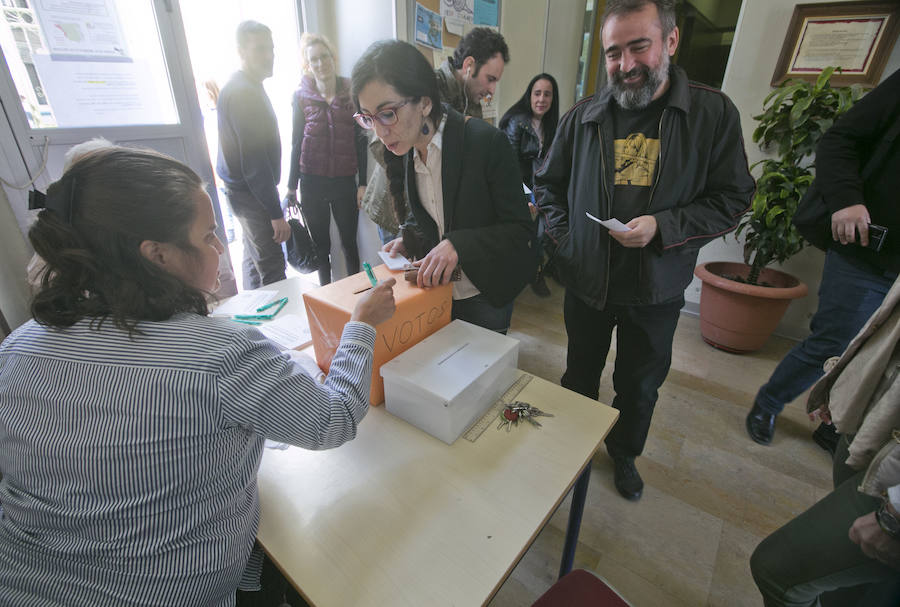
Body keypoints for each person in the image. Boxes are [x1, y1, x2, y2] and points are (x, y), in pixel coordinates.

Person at [0, 146, 396, 606]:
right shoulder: (219, 355)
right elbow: (335, 418)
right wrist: (361, 325)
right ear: (158, 256)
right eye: (209, 235)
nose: (221, 247)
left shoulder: (21, 344)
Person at [534, 0, 754, 501]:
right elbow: (547, 185)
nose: (626, 64)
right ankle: (572, 446)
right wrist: (568, 243)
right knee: (578, 372)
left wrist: (664, 226)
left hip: (655, 287)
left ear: (670, 43)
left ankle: (625, 453)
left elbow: (734, 196)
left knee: (639, 385)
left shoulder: (712, 113)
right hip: (588, 280)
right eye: (614, 52)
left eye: (639, 46)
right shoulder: (582, 116)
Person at [745, 67, 900, 448]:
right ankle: (769, 402)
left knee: (884, 361)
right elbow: (839, 139)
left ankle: (838, 423)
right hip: (869, 252)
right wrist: (847, 199)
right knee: (835, 341)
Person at [351, 40, 533, 334]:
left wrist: (458, 245)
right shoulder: (406, 147)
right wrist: (409, 238)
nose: (380, 131)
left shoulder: (484, 142)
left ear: (424, 102)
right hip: (439, 292)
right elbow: (435, 211)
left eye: (387, 113)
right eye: (368, 118)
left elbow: (520, 230)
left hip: (484, 292)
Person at [750, 275, 900, 607]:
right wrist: (847, 388)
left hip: (893, 481)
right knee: (849, 582)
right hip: (877, 423)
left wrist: (895, 515)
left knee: (777, 569)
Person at [360, 27, 510, 246]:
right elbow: (380, 146)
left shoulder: (472, 106)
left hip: (434, 216)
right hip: (397, 210)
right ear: (469, 66)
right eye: (490, 79)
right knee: (406, 273)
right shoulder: (425, 88)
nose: (492, 90)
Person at [283, 33, 368, 286]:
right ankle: (326, 295)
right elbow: (296, 141)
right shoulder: (301, 97)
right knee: (322, 247)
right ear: (308, 65)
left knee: (350, 243)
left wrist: (362, 183)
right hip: (311, 181)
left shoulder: (352, 93)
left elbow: (360, 140)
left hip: (344, 182)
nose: (320, 64)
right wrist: (290, 185)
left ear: (333, 58)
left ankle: (356, 293)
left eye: (324, 57)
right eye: (314, 60)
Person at [216, 20, 288, 290]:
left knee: (253, 261)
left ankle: (253, 323)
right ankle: (281, 331)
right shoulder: (244, 93)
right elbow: (255, 163)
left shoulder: (247, 86)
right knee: (271, 267)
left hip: (243, 193)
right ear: (241, 52)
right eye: (259, 49)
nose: (269, 56)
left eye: (271, 48)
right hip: (251, 195)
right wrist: (274, 212)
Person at [499, 73, 560, 298]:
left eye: (547, 94)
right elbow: (509, 166)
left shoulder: (553, 125)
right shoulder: (517, 122)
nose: (541, 99)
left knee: (542, 234)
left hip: (542, 192)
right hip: (521, 191)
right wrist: (525, 197)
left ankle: (536, 273)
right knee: (520, 237)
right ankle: (519, 276)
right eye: (537, 93)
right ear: (529, 95)